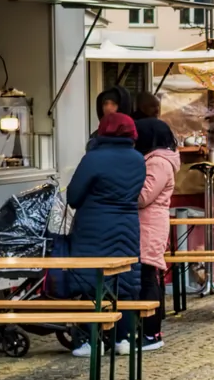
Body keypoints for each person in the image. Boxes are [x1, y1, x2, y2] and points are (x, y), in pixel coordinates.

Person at [66, 111, 146, 357]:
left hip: (94, 228)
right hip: (127, 225)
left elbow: (73, 196)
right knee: (122, 282)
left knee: (91, 283)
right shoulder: (138, 159)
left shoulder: (93, 159)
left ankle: (91, 341)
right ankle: (123, 339)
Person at [132, 95, 178, 351]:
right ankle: (149, 330)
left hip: (149, 225)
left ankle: (152, 332)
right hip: (149, 224)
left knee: (149, 275)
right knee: (147, 276)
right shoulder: (157, 159)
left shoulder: (158, 162)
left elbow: (143, 196)